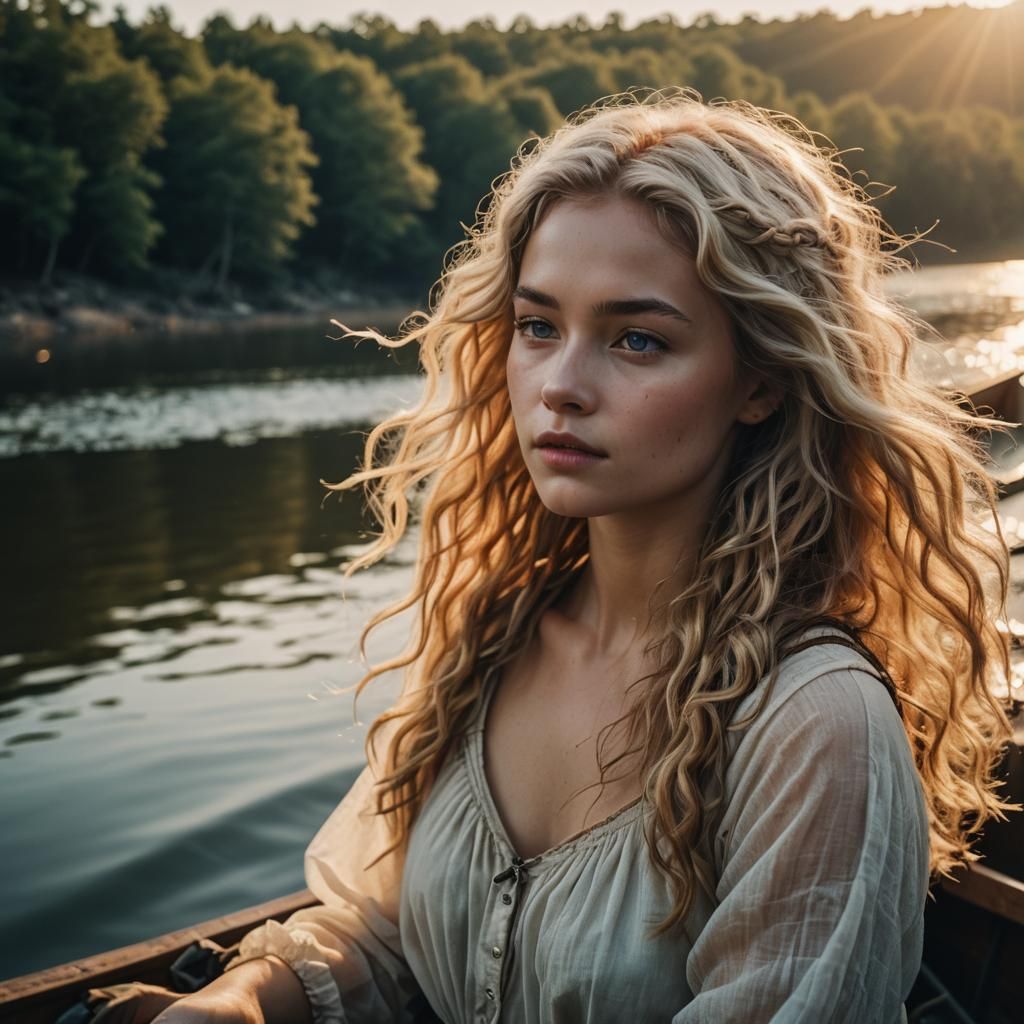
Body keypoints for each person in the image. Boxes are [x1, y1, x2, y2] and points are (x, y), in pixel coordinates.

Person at [138, 88, 1019, 1023]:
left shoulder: (814, 725)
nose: (560, 386)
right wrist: (243, 1000)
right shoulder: (493, 635)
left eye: (637, 339)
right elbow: (380, 932)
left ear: (759, 382)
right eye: (538, 326)